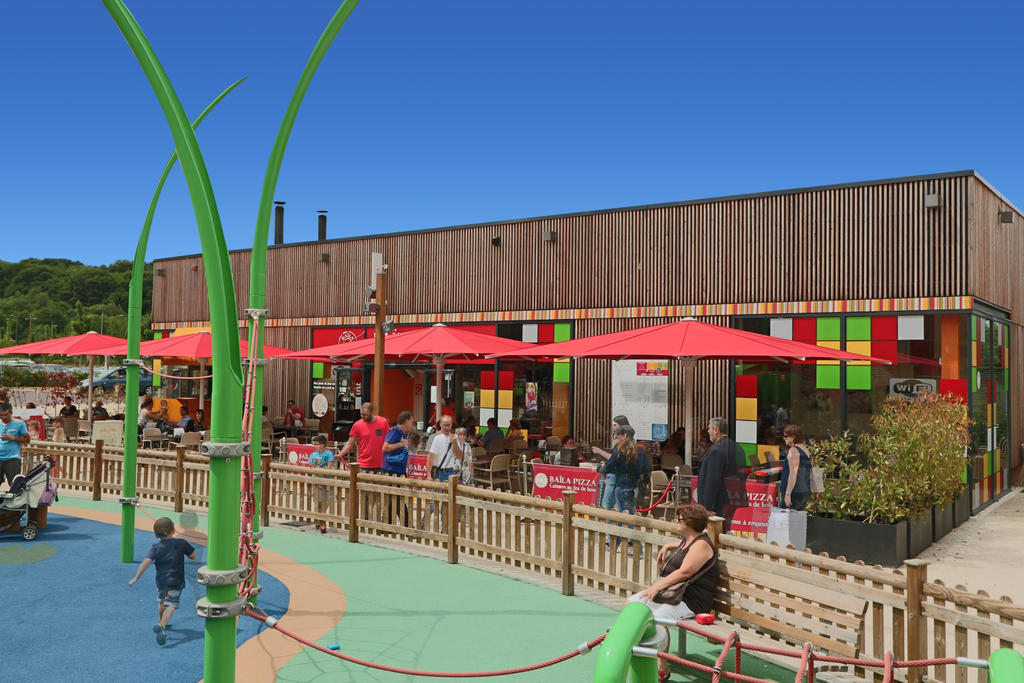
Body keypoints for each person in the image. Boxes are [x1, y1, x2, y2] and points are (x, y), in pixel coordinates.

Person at [628, 503, 719, 683]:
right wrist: (669, 545)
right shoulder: (690, 540)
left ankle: (662, 666)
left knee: (657, 618)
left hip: (691, 601)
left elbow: (685, 572)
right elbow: (685, 545)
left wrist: (657, 587)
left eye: (680, 519)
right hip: (675, 595)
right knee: (633, 604)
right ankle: (640, 652)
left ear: (690, 523)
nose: (676, 522)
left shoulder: (701, 545)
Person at [128, 517, 197, 646]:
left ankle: (161, 619)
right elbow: (193, 556)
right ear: (174, 530)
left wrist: (136, 577)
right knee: (172, 604)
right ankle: (162, 625)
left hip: (161, 581)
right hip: (176, 580)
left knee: (162, 600)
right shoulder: (181, 543)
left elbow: (146, 562)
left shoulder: (156, 547)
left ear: (155, 535)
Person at [695, 417, 738, 516]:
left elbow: (712, 480)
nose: (708, 431)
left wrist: (707, 507)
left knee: (714, 530)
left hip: (715, 504)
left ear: (716, 430)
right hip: (727, 498)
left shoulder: (716, 450)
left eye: (709, 428)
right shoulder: (732, 445)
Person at [604, 424, 651, 515]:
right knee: (629, 510)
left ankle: (628, 528)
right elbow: (647, 469)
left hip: (621, 485)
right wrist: (644, 482)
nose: (617, 437)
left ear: (624, 435)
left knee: (624, 512)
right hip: (633, 485)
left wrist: (599, 469)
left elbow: (609, 466)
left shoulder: (619, 449)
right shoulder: (639, 451)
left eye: (618, 435)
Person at [338, 402, 389, 473]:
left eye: (365, 414)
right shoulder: (357, 425)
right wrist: (340, 454)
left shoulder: (383, 422)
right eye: (361, 414)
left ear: (372, 412)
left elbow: (389, 440)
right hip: (363, 463)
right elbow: (350, 443)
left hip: (380, 463)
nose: (362, 416)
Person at [592, 415, 631, 510]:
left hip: (615, 473)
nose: (612, 427)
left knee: (607, 503)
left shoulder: (620, 441)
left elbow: (614, 458)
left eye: (615, 425)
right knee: (616, 503)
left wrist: (599, 451)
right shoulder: (629, 440)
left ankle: (605, 521)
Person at [780, 424, 811, 511]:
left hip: (794, 493)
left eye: (786, 436)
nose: (784, 438)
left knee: (784, 522)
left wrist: (788, 494)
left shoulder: (793, 450)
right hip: (804, 492)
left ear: (793, 437)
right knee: (797, 522)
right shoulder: (805, 449)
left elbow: (793, 472)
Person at [309, 435, 335, 533]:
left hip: (326, 481)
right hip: (316, 481)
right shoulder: (313, 455)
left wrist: (322, 469)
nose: (313, 446)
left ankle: (322, 521)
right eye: (313, 444)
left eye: (316, 444)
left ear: (322, 445)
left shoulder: (328, 454)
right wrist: (313, 464)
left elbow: (329, 467)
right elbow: (311, 466)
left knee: (325, 502)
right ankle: (320, 520)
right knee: (318, 502)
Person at [0, 402, 30, 488]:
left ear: (11, 413)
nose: (3, 417)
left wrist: (13, 438)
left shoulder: (19, 423)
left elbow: (27, 439)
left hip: (12, 459)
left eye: (6, 415)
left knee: (14, 486)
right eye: (1, 415)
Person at [427, 415, 461, 482]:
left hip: (451, 471)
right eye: (444, 425)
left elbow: (459, 456)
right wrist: (428, 474)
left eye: (448, 425)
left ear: (451, 425)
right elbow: (431, 456)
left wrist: (455, 443)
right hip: (439, 471)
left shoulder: (455, 437)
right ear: (440, 425)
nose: (446, 427)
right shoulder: (437, 438)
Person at [383, 411, 413, 477]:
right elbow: (385, 447)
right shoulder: (395, 431)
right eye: (411, 422)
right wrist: (401, 444)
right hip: (391, 470)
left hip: (400, 470)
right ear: (406, 421)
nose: (412, 425)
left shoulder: (403, 434)